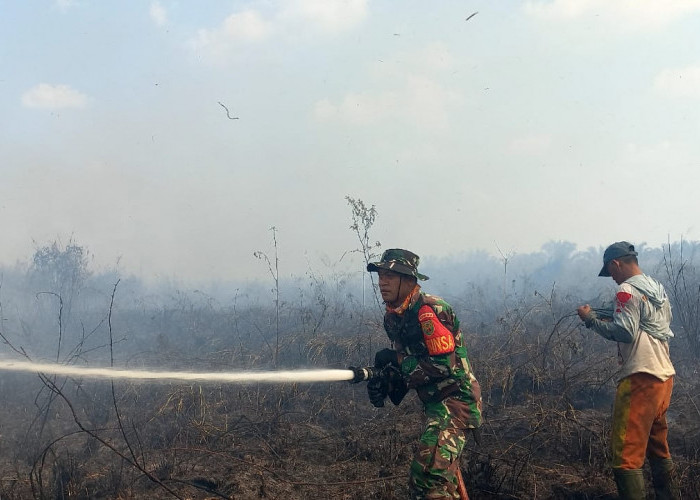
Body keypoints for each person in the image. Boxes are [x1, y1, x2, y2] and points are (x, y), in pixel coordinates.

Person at [365, 248, 482, 499]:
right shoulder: (394, 317)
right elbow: (412, 365)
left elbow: (442, 366)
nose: (382, 282)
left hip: (454, 403)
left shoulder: (429, 311)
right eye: (380, 275)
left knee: (426, 481)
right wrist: (387, 382)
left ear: (408, 281)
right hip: (435, 403)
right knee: (441, 486)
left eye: (389, 276)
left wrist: (397, 361)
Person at [577, 241, 677, 500]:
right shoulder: (657, 289)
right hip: (664, 376)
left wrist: (590, 320)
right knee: (658, 449)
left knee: (625, 454)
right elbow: (645, 323)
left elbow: (625, 331)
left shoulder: (626, 290)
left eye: (611, 272)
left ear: (616, 264)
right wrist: (605, 314)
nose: (612, 278)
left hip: (641, 376)